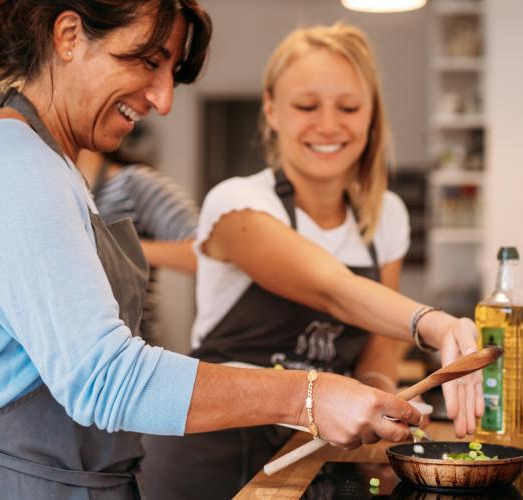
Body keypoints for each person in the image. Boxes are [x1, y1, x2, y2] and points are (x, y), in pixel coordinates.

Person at [0, 4, 423, 500]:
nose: (163, 100)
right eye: (146, 61)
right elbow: (106, 378)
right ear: (69, 36)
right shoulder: (9, 161)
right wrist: (307, 396)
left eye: (170, 75)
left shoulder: (52, 169)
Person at [141, 23, 484, 500]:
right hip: (213, 456)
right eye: (306, 106)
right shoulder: (236, 204)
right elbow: (332, 289)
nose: (328, 125)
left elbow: (378, 355)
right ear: (271, 109)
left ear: (371, 115)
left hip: (320, 458)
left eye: (348, 107)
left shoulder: (387, 216)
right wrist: (436, 324)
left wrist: (381, 402)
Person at [77, 125, 199, 344]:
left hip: (132, 348)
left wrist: (117, 247)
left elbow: (204, 253)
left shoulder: (133, 183)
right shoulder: (52, 194)